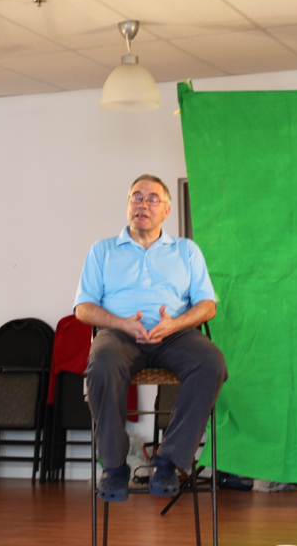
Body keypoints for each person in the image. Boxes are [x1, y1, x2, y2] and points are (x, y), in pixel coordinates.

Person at [74, 174, 227, 502]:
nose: (143, 204)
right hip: (120, 335)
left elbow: (207, 305)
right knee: (101, 365)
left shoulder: (186, 250)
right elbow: (83, 308)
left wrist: (174, 325)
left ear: (166, 210)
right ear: (128, 205)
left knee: (210, 362)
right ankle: (114, 466)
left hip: (174, 335)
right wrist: (121, 323)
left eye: (152, 198)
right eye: (136, 197)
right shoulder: (102, 250)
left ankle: (168, 461)